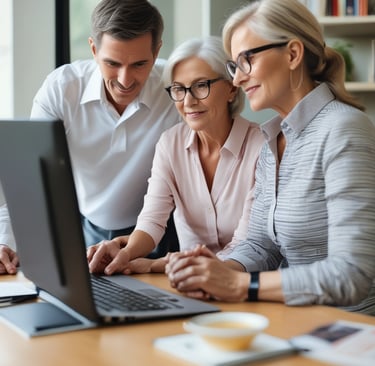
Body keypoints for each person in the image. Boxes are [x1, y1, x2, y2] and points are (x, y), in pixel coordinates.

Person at [165, 0, 375, 316]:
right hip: (293, 319)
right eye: (234, 66)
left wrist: (240, 286)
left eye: (246, 60)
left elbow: (351, 275)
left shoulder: (343, 128)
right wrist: (214, 269)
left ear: (292, 54)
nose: (236, 79)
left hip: (349, 333)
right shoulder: (272, 141)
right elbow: (263, 245)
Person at [0, 0, 181, 274]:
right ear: (94, 49)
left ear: (157, 52)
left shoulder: (177, 90)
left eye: (139, 64)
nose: (125, 79)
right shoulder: (62, 89)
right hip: (90, 229)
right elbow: (28, 175)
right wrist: (5, 243)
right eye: (113, 63)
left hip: (167, 231)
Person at [87, 36, 264, 275]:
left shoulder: (262, 147)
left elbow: (247, 246)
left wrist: (157, 265)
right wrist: (125, 254)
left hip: (244, 285)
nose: (188, 101)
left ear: (232, 88)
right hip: (185, 283)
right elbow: (151, 221)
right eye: (179, 89)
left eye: (201, 86)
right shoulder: (170, 144)